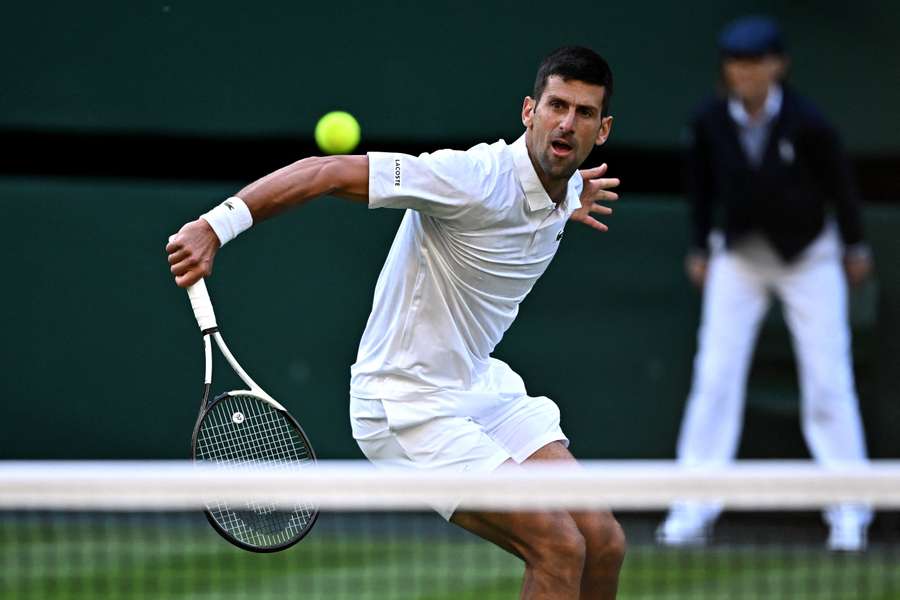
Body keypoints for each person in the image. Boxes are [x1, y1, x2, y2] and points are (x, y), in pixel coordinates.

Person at [167, 46, 626, 599]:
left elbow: (550, 192)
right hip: (403, 403)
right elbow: (325, 172)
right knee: (558, 545)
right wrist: (214, 227)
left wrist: (570, 198)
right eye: (556, 106)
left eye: (582, 114)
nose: (565, 123)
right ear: (529, 111)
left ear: (602, 131)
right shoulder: (468, 178)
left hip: (478, 386)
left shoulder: (565, 185)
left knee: (603, 542)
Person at [657, 16, 874, 552]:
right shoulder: (708, 121)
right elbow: (701, 189)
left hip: (810, 257)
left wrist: (854, 245)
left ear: (779, 65)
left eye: (755, 62)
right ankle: (691, 509)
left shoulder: (809, 122)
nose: (745, 73)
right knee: (714, 378)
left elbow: (840, 186)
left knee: (828, 380)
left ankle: (851, 514)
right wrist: (700, 247)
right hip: (740, 258)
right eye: (736, 63)